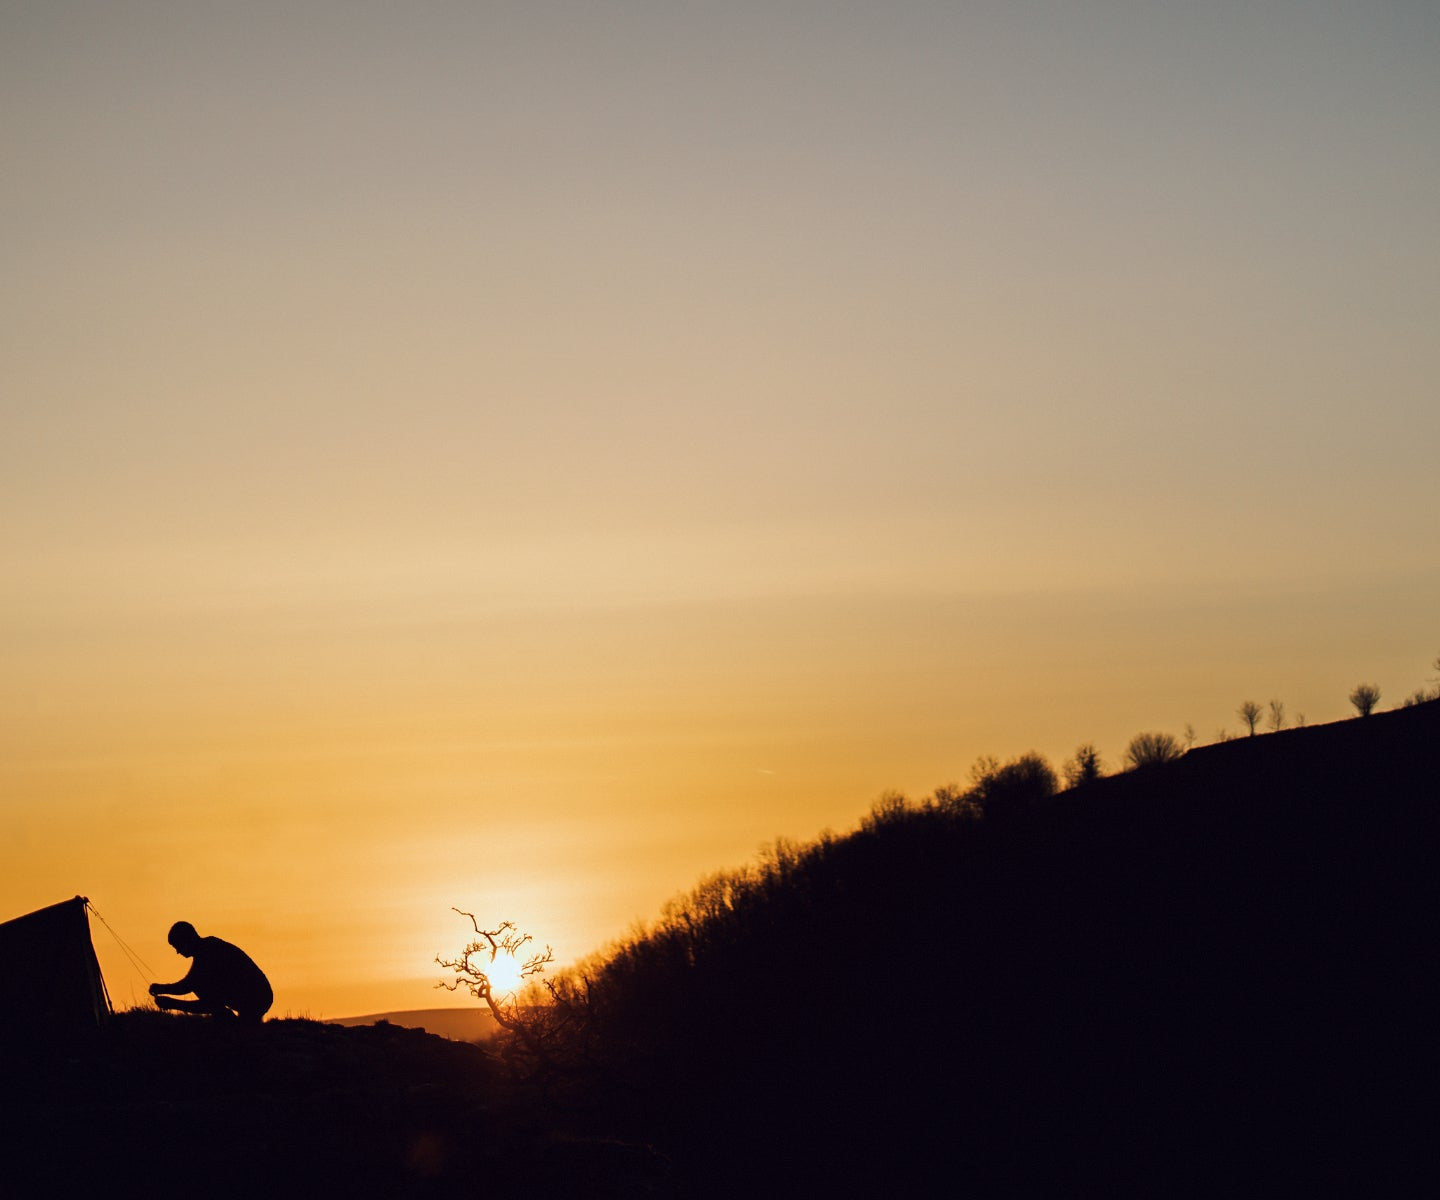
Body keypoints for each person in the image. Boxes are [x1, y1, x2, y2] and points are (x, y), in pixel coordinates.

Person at [149, 921, 273, 1023]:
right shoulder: (208, 948)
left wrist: (171, 1002)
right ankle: (235, 1022)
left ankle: (231, 1023)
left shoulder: (209, 952)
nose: (178, 951)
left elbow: (189, 986)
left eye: (178, 946)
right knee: (201, 987)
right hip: (258, 995)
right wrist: (163, 989)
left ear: (187, 940)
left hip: (254, 997)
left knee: (201, 988)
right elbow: (189, 984)